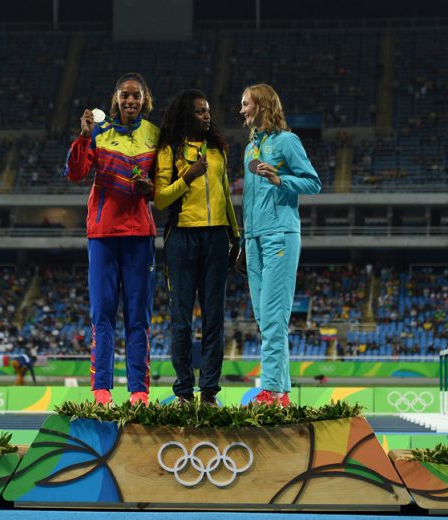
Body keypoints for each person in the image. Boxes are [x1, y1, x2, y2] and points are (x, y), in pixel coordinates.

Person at [63, 72, 158, 406]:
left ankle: (139, 393)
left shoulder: (155, 136)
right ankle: (101, 392)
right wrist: (83, 137)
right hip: (103, 234)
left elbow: (164, 187)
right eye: (124, 95)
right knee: (102, 315)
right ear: (115, 99)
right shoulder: (99, 133)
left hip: (139, 236)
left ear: (144, 100)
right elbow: (75, 173)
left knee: (138, 318)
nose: (130, 101)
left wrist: (153, 189)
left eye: (136, 96)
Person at [153, 89, 240, 406]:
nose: (208, 117)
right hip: (182, 238)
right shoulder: (169, 150)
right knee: (181, 319)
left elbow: (226, 195)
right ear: (187, 115)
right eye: (201, 112)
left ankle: (209, 393)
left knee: (214, 318)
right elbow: (160, 199)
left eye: (208, 112)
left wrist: (236, 236)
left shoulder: (217, 149)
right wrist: (187, 176)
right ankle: (184, 392)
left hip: (216, 237)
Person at [239, 83, 322, 406]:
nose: (242, 110)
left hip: (280, 235)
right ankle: (281, 392)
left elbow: (313, 182)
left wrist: (281, 180)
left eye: (246, 104)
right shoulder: (250, 149)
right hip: (254, 238)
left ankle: (271, 390)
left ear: (261, 105)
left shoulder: (287, 141)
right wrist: (244, 236)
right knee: (263, 318)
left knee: (273, 317)